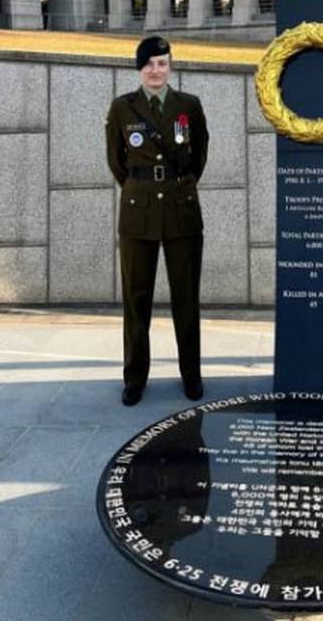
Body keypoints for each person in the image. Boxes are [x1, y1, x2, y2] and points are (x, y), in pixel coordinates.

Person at [104, 36, 210, 405]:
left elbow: (199, 156)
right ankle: (135, 377)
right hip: (138, 211)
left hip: (182, 210)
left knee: (186, 297)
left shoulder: (188, 107)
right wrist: (142, 188)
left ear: (170, 66)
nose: (155, 70)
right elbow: (117, 162)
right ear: (139, 68)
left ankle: (191, 375)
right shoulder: (123, 108)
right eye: (148, 64)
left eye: (162, 63)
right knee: (136, 299)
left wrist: (177, 185)